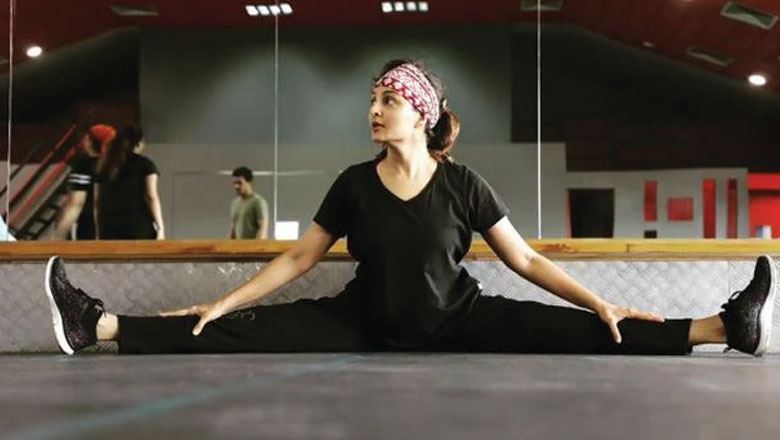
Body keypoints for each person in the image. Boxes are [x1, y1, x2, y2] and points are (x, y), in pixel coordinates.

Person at [43, 59, 775, 357]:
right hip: (360, 320)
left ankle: (725, 327)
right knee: (226, 329)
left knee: (589, 329)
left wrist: (600, 300)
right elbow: (300, 258)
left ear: (420, 114)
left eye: (388, 99)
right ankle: (96, 324)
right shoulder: (353, 183)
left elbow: (524, 260)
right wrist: (224, 299)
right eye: (372, 98)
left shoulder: (465, 185)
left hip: (461, 318)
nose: (374, 109)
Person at [94, 125, 165, 240]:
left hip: (109, 228)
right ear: (139, 143)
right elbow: (151, 196)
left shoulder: (104, 166)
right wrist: (160, 227)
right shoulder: (145, 164)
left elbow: (97, 202)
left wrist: (98, 231)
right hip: (137, 227)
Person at [51, 124, 115, 240]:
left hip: (90, 227)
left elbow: (76, 204)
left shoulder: (84, 166)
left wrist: (59, 235)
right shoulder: (116, 166)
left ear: (89, 141)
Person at [229, 166, 269, 240]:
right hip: (239, 246)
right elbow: (233, 229)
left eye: (239, 183)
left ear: (249, 182)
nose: (236, 186)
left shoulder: (258, 202)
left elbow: (263, 229)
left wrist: (255, 246)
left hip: (253, 246)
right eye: (235, 183)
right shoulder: (235, 203)